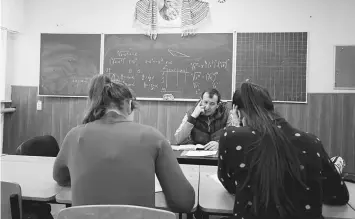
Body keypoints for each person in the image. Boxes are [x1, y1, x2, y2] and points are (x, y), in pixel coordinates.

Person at [53, 74, 195, 212]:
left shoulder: (74, 136)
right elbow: (184, 202)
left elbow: (60, 177)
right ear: (129, 104)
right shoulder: (153, 137)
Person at [218, 82, 349, 219]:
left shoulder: (231, 136)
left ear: (237, 112)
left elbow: (230, 185)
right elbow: (339, 196)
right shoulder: (312, 142)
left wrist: (237, 126)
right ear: (272, 109)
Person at [174, 88, 239, 151]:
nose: (207, 107)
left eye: (212, 104)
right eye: (205, 102)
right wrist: (193, 117)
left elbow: (235, 139)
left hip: (218, 155)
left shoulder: (226, 114)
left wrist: (221, 144)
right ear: (201, 101)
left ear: (218, 105)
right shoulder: (192, 113)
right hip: (197, 155)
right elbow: (178, 139)